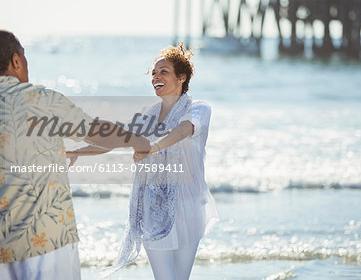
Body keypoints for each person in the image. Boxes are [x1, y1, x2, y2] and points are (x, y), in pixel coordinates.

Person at [0, 30, 152, 280]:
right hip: (46, 239)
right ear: (16, 60)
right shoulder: (42, 100)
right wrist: (138, 140)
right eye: (25, 58)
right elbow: (96, 131)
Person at [69, 42, 218, 280]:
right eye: (154, 73)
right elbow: (119, 139)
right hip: (153, 207)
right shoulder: (147, 114)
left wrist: (152, 148)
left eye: (163, 71)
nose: (156, 77)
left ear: (182, 77)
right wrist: (77, 151)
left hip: (189, 206)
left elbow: (182, 130)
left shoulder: (199, 108)